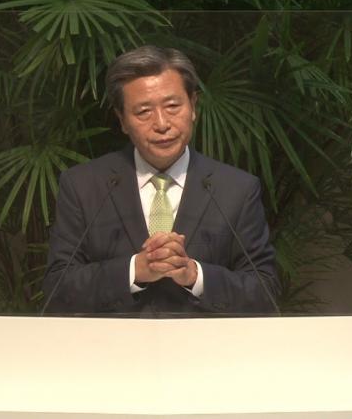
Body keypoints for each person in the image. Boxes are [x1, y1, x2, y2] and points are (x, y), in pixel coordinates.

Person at [43, 45, 279, 314]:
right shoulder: (83, 185)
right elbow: (57, 289)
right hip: (112, 339)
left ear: (193, 106)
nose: (162, 124)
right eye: (144, 111)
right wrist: (135, 270)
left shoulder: (237, 189)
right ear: (122, 120)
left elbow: (265, 291)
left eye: (172, 106)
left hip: (204, 339)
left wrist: (194, 275)